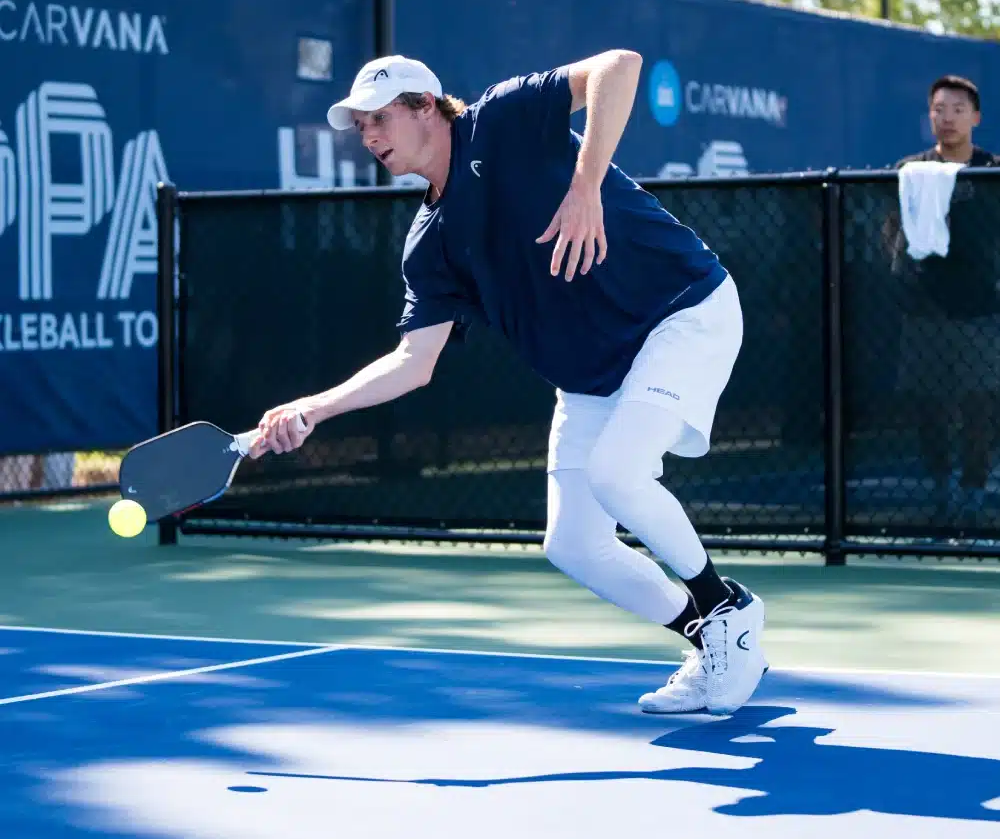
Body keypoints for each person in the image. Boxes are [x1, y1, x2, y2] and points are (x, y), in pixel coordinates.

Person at [251, 51, 768, 715]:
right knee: (574, 545)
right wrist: (312, 409)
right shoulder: (429, 244)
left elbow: (620, 66)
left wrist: (586, 189)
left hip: (681, 314)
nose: (370, 137)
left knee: (618, 472)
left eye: (380, 119)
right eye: (362, 127)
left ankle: (726, 607)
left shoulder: (502, 120)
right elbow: (414, 362)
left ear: (426, 108)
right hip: (590, 376)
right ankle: (703, 634)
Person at [885, 75, 1000, 526]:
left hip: (981, 311)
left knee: (979, 406)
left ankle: (973, 493)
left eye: (956, 109)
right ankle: (940, 491)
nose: (946, 117)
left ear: (976, 117)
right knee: (928, 405)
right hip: (924, 310)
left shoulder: (994, 170)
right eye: (938, 109)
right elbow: (892, 230)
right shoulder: (910, 170)